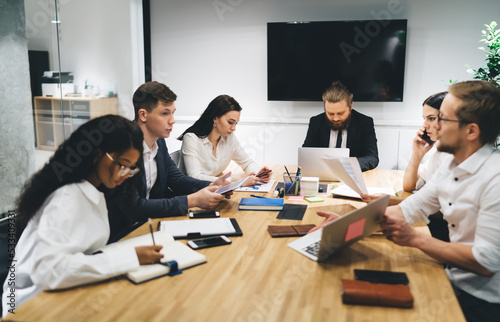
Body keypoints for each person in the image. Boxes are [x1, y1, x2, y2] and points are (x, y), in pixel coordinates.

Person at [2, 115, 164, 315]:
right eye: (122, 164)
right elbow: (48, 270)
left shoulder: (95, 191)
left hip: (62, 292)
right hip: (30, 306)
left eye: (131, 169)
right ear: (97, 154)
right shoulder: (67, 198)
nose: (125, 174)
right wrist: (128, 258)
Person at [381, 80, 500, 321]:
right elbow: (410, 208)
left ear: (471, 131)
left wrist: (414, 238)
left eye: (441, 119)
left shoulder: (495, 179)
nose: (432, 126)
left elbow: (485, 262)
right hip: (452, 278)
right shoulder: (448, 162)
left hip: (484, 302)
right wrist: (342, 226)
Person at [104, 82, 231, 243]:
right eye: (165, 114)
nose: (172, 121)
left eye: (173, 113)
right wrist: (192, 201)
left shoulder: (159, 143)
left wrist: (210, 186)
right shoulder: (123, 149)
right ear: (143, 115)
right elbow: (134, 207)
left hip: (151, 225)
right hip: (123, 234)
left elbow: (176, 179)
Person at [178, 95, 272, 185]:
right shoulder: (191, 138)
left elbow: (246, 162)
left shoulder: (228, 138)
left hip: (214, 191)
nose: (234, 128)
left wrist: (259, 174)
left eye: (236, 123)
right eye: (230, 122)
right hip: (193, 194)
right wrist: (235, 180)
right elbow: (195, 176)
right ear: (215, 118)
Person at [302, 81, 379, 171]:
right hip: (323, 173)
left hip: (352, 174)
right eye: (330, 113)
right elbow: (306, 154)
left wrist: (347, 165)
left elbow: (372, 158)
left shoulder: (364, 122)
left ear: (351, 106)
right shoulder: (316, 122)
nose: (335, 118)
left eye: (340, 113)